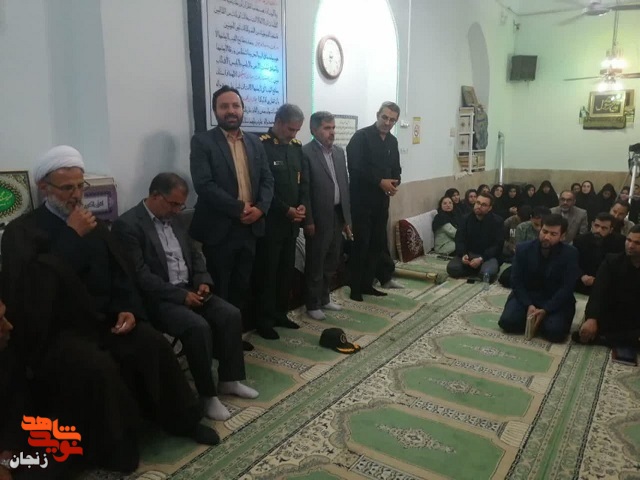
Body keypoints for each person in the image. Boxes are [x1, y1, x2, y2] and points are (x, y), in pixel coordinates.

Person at [1, 147, 219, 473]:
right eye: (67, 188)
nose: (76, 195)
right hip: (58, 332)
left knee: (152, 343)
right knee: (98, 367)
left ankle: (183, 420)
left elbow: (121, 273)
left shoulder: (94, 225)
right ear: (44, 187)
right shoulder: (22, 232)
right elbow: (32, 293)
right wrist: (70, 236)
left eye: (80, 186)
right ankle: (117, 449)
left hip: (105, 319)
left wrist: (127, 309)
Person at [112, 173, 258, 421]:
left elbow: (195, 253)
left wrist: (202, 280)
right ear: (155, 196)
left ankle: (229, 380)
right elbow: (140, 276)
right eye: (174, 204)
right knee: (197, 327)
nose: (178, 210)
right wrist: (181, 296)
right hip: (158, 298)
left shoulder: (176, 219)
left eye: (181, 205)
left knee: (230, 314)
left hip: (189, 288)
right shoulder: (128, 225)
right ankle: (207, 395)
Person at [189, 85, 274, 328]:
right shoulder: (203, 142)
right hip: (219, 229)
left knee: (241, 285)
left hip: (250, 227)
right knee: (220, 288)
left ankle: (234, 337)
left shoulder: (255, 142)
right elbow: (204, 184)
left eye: (236, 106)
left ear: (243, 109)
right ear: (215, 111)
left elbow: (267, 179)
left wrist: (260, 209)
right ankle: (219, 340)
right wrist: (239, 208)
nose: (231, 111)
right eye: (224, 106)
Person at [251, 104, 311, 339]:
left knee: (286, 271)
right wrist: (286, 210)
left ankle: (280, 313)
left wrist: (302, 205)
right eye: (290, 129)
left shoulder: (296, 148)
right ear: (277, 122)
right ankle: (263, 320)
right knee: (268, 273)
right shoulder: (262, 146)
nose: (293, 134)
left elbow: (302, 183)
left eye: (297, 130)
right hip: (271, 224)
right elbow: (262, 187)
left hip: (292, 224)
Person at [346, 101, 402, 301]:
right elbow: (355, 167)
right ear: (378, 115)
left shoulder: (392, 141)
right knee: (361, 243)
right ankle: (355, 288)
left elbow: (396, 167)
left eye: (392, 120)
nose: (387, 122)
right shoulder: (361, 137)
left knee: (377, 243)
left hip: (382, 201)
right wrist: (380, 182)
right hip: (361, 201)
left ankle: (367, 284)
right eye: (385, 117)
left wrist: (395, 182)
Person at [498, 214, 579, 342]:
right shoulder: (523, 249)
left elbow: (567, 288)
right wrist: (528, 304)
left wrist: (546, 309)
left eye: (553, 234)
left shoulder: (570, 254)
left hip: (555, 300)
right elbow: (516, 281)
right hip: (528, 296)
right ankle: (536, 320)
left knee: (555, 333)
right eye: (544, 231)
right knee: (507, 323)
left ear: (562, 236)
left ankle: (544, 321)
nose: (546, 237)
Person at [302, 111, 352, 321]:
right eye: (326, 128)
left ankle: (324, 297)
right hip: (318, 217)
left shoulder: (339, 152)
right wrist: (308, 220)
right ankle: (312, 303)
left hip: (337, 214)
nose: (331, 132)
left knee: (332, 259)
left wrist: (347, 219)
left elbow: (344, 185)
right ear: (314, 130)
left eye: (333, 128)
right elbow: (304, 190)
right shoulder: (305, 153)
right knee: (316, 261)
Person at [573, 224, 640, 347]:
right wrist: (592, 318)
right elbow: (597, 292)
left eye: (637, 243)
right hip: (613, 313)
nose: (630, 246)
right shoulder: (612, 261)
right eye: (629, 240)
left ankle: (607, 339)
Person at [446, 192, 503, 280]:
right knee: (452, 268)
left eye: (483, 205)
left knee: (487, 274)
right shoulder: (465, 219)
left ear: (490, 208)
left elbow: (497, 245)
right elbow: (459, 239)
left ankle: (477, 269)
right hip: (469, 254)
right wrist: (463, 255)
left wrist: (481, 259)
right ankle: (475, 269)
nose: (479, 206)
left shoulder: (497, 221)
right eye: (478, 203)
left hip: (487, 257)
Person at [573, 213, 625, 295]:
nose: (598, 230)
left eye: (604, 228)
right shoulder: (580, 240)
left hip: (606, 286)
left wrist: (598, 280)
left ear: (611, 230)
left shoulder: (619, 242)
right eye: (596, 226)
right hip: (581, 282)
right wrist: (582, 276)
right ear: (592, 224)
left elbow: (618, 267)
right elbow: (573, 263)